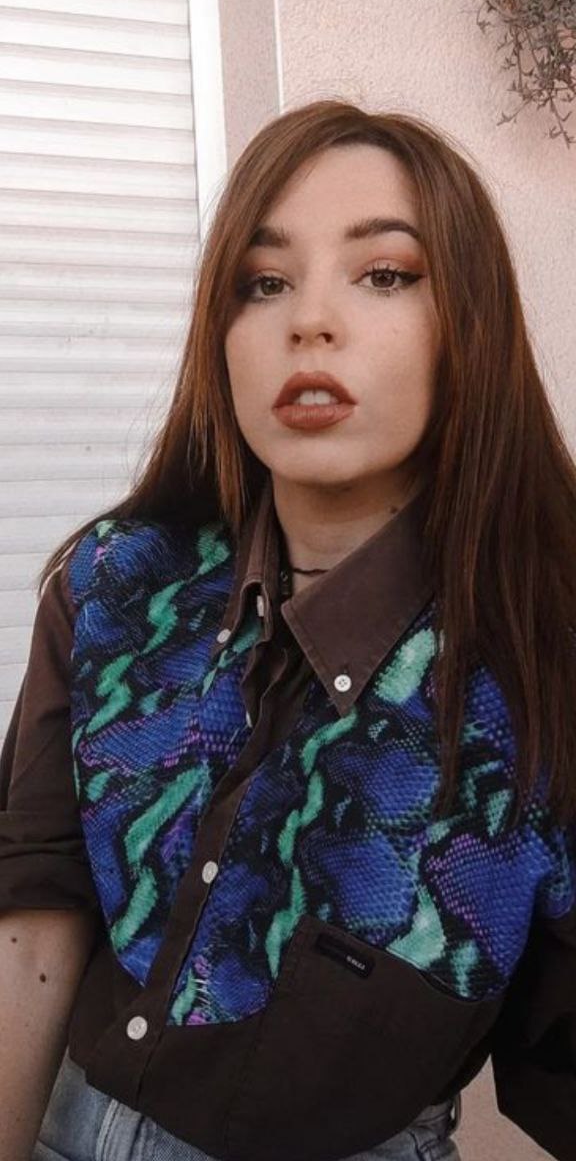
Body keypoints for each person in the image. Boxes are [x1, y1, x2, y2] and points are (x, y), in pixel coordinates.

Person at [1, 98, 575, 1161]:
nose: (308, 321)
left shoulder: (541, 663)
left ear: (471, 327)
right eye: (263, 282)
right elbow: (34, 917)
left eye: (384, 274)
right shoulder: (114, 583)